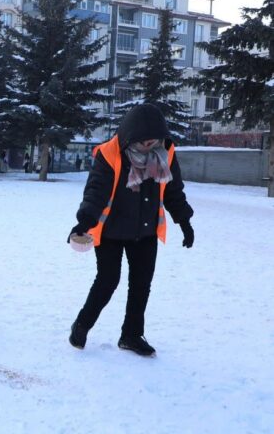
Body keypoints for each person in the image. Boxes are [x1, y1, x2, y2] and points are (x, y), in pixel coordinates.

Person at [67, 103, 194, 357]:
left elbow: (172, 190)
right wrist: (84, 221)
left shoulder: (165, 152)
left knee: (141, 285)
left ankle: (132, 335)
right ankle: (82, 324)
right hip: (110, 230)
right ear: (130, 138)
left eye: (154, 142)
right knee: (108, 280)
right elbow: (96, 192)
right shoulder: (110, 153)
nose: (150, 148)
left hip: (145, 231)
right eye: (144, 144)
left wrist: (184, 221)